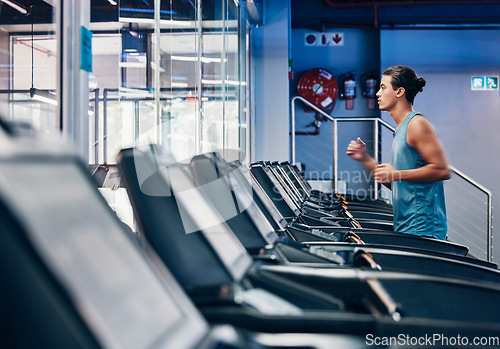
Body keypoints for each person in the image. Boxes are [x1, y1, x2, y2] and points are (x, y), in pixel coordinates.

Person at [346, 65, 450, 240]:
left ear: (399, 91)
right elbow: (400, 184)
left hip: (422, 228)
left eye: (383, 87)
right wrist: (365, 158)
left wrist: (397, 174)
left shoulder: (417, 124)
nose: (377, 93)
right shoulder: (401, 128)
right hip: (407, 225)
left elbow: (441, 170)